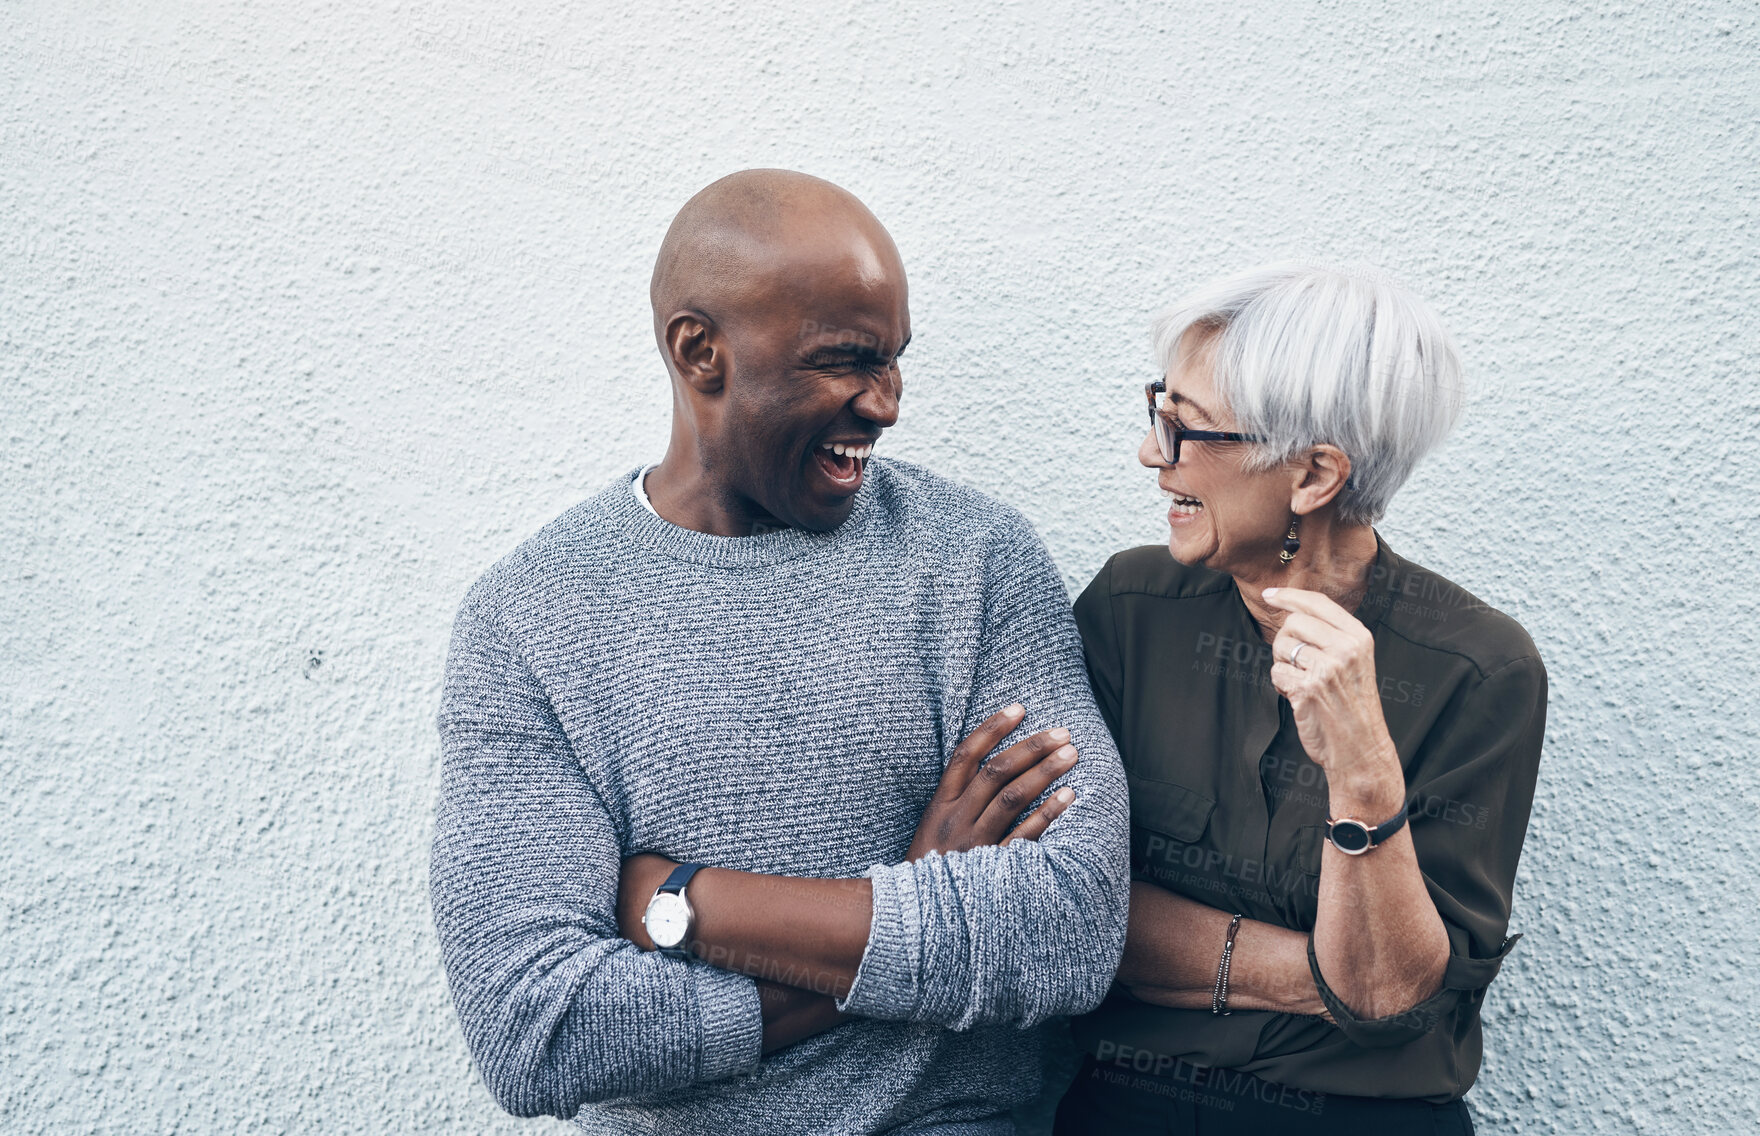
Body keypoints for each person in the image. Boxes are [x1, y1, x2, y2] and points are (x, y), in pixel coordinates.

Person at [428, 169, 1131, 1135]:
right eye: (845, 361)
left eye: (893, 361)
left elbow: (1074, 925)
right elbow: (536, 1029)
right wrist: (913, 903)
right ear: (699, 351)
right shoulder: (535, 617)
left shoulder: (977, 561)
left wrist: (689, 904)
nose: (884, 404)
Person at [1055, 263, 1547, 1134]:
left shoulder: (1479, 669)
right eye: (1156, 412)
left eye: (1187, 429)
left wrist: (1363, 771)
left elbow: (1393, 995)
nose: (1149, 454)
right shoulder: (1132, 610)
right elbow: (1058, 907)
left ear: (1314, 475)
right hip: (1128, 1106)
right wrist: (1318, 973)